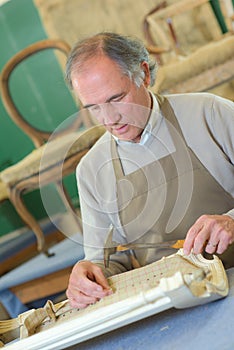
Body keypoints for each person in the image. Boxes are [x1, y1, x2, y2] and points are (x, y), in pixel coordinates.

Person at [65, 32, 234, 309]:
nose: (109, 119)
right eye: (94, 108)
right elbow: (106, 263)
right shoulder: (91, 171)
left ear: (143, 74)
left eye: (116, 98)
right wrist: (88, 277)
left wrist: (232, 221)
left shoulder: (209, 113)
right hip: (173, 306)